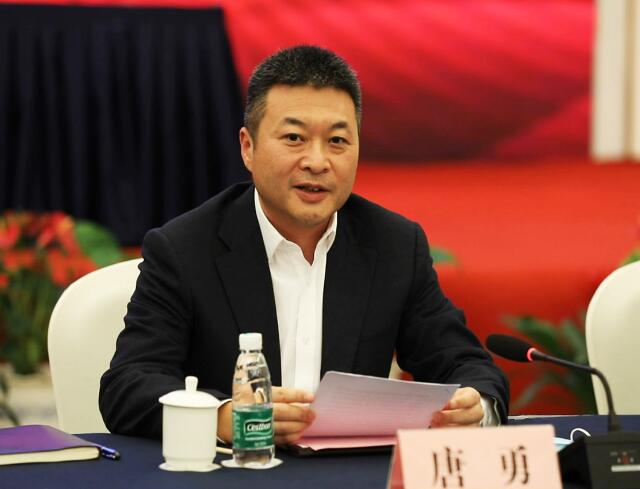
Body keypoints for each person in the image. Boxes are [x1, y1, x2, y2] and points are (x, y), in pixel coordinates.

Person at [99, 45, 509, 444]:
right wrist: (225, 418)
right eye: (294, 137)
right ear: (248, 147)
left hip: (349, 474)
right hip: (236, 471)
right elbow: (129, 383)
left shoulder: (395, 246)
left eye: (337, 141)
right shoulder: (184, 248)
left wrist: (475, 406)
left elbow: (465, 364)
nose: (317, 161)